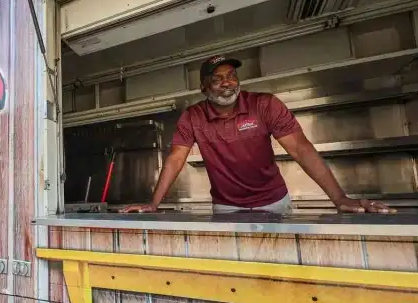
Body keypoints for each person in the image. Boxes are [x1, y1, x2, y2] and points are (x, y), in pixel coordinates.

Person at [120, 55, 393, 215]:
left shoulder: (264, 104)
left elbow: (301, 149)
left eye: (232, 76)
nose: (227, 82)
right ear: (203, 88)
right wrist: (153, 204)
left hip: (275, 202)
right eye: (217, 79)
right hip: (226, 208)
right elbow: (175, 159)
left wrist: (340, 199)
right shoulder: (193, 116)